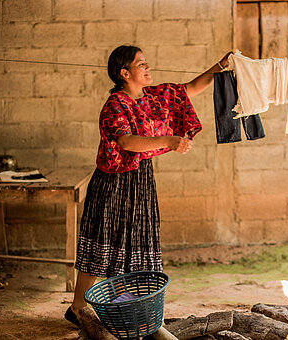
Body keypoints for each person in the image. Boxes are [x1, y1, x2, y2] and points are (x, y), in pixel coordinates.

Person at [64, 45, 231, 326]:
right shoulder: (115, 104)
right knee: (104, 241)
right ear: (124, 73)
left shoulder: (154, 96)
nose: (148, 67)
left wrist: (221, 65)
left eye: (146, 62)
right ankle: (78, 305)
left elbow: (190, 87)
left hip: (140, 179)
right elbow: (127, 142)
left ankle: (119, 305)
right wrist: (168, 140)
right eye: (141, 64)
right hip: (113, 181)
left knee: (131, 244)